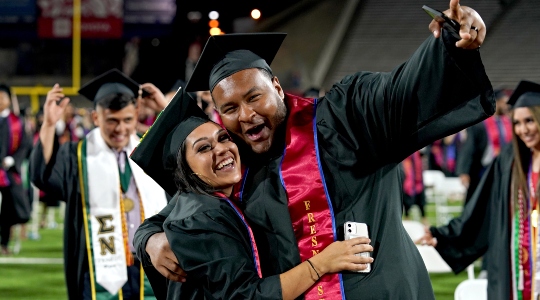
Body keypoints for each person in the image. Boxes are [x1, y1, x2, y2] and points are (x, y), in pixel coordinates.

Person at [133, 1, 495, 298]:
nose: (246, 116)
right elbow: (181, 213)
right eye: (229, 109)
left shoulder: (345, 117)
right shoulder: (231, 163)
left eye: (254, 96)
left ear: (276, 85)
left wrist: (450, 45)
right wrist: (148, 239)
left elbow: (402, 92)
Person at [131, 89, 374, 299]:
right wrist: (322, 263)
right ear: (185, 169)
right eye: (204, 148)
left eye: (223, 138)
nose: (222, 150)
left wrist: (146, 238)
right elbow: (247, 296)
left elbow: (153, 223)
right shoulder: (202, 218)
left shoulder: (198, 200)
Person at [29, 69, 168, 300]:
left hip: (149, 267)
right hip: (99, 270)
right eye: (111, 121)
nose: (120, 129)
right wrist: (49, 125)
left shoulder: (149, 152)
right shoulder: (78, 157)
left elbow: (188, 160)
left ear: (136, 114)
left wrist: (165, 111)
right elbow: (42, 176)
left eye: (127, 120)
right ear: (96, 118)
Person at [420, 80, 540, 299]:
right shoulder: (509, 161)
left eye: (529, 121)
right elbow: (483, 208)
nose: (523, 130)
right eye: (518, 123)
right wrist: (446, 236)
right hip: (516, 265)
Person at [456, 88, 512, 203]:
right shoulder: (480, 124)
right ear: (497, 102)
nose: (507, 105)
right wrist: (464, 171)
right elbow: (469, 147)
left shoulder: (507, 122)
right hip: (483, 170)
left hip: (504, 168)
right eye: (504, 101)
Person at [0, 83, 32, 255]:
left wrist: (13, 159)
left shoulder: (17, 122)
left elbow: (25, 144)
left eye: (2, 97)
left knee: (10, 209)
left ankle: (4, 242)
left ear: (8, 100)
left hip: (9, 172)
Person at [401, 150, 428, 225]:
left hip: (418, 179)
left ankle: (424, 222)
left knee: (421, 203)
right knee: (407, 202)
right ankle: (407, 222)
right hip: (408, 177)